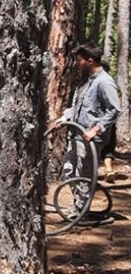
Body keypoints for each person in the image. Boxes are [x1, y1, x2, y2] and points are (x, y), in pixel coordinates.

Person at [54, 42, 121, 215]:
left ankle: (81, 211)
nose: (77, 62)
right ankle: (79, 206)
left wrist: (95, 130)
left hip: (90, 138)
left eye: (80, 60)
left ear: (90, 61)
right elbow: (78, 106)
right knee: (70, 171)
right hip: (76, 135)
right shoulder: (84, 81)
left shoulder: (105, 82)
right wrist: (64, 118)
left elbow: (114, 110)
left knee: (83, 174)